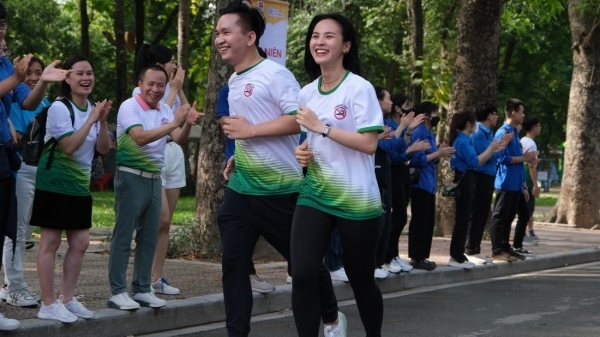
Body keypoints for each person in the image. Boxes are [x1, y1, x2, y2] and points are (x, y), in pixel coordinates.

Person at [215, 2, 341, 336]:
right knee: (233, 265)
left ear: (251, 36)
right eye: (217, 33)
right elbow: (249, 128)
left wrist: (250, 133)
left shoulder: (275, 74)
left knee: (306, 267)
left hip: (281, 192)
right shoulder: (234, 79)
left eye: (226, 32)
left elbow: (297, 120)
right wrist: (239, 153)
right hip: (242, 190)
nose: (220, 39)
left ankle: (332, 317)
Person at [292, 12, 384, 337]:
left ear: (345, 46)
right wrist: (301, 151)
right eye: (315, 35)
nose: (320, 41)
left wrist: (323, 127)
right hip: (315, 193)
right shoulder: (306, 92)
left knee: (360, 280)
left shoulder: (360, 88)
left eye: (329, 36)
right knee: (301, 274)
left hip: (357, 198)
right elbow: (308, 139)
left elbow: (370, 143)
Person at [107, 65, 200, 311]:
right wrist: (174, 124)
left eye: (161, 85)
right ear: (139, 83)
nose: (155, 89)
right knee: (124, 237)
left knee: (149, 237)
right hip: (130, 177)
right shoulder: (130, 106)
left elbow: (177, 138)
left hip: (154, 178)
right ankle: (117, 291)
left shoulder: (164, 109)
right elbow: (139, 137)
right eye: (151, 84)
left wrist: (187, 123)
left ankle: (142, 288)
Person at [0, 3, 68, 328]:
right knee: (13, 232)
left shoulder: (10, 72)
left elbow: (27, 102)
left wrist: (41, 82)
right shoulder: (9, 74)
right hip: (15, 163)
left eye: (2, 25)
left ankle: (6, 293)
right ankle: (14, 288)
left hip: (19, 165)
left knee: (15, 230)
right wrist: (15, 77)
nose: (2, 32)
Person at [31, 55, 110, 323]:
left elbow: (103, 149)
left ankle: (67, 298)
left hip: (79, 184)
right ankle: (48, 303)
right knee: (51, 241)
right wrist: (91, 119)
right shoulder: (59, 108)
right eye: (79, 73)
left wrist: (101, 122)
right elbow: (68, 147)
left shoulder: (94, 108)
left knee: (81, 242)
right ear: (68, 78)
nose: (86, 78)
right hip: (54, 182)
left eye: (89, 72)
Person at [132, 43, 187, 296]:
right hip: (153, 155)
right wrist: (172, 89)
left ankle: (156, 278)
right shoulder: (143, 92)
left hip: (173, 154)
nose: (175, 65)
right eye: (171, 61)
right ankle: (142, 277)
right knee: (159, 218)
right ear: (157, 65)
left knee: (166, 224)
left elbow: (179, 130)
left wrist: (179, 90)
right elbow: (158, 118)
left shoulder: (172, 89)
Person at [216, 83, 278, 293]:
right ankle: (248, 274)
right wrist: (245, 126)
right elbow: (223, 119)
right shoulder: (230, 89)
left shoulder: (272, 86)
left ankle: (305, 273)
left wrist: (257, 126)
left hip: (269, 168)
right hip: (239, 166)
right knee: (235, 219)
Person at [2, 56, 50, 307]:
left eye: (39, 72)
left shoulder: (46, 102)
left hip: (37, 171)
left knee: (24, 232)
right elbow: (19, 139)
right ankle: (15, 287)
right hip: (18, 170)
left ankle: (8, 285)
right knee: (16, 233)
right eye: (28, 72)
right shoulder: (12, 97)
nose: (33, 77)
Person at [373, 86, 427, 278]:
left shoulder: (385, 122)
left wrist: (408, 131)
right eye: (387, 98)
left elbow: (396, 146)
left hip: (390, 173)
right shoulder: (378, 121)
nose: (389, 102)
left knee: (390, 220)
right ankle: (380, 261)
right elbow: (390, 148)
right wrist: (405, 132)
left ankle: (388, 257)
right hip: (385, 172)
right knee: (384, 220)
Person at [447, 110, 507, 268]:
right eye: (473, 123)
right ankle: (456, 255)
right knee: (462, 218)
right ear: (468, 124)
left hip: (467, 179)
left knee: (465, 217)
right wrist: (491, 149)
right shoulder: (462, 141)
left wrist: (493, 149)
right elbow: (475, 161)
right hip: (464, 178)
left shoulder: (464, 140)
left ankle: (459, 254)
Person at [407, 102, 455, 271]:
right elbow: (417, 159)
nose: (436, 116)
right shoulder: (419, 132)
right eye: (434, 113)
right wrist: (438, 153)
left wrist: (439, 152)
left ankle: (423, 256)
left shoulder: (429, 132)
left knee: (428, 221)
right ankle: (416, 256)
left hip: (429, 182)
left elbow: (431, 159)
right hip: (420, 183)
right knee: (420, 221)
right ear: (426, 115)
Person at [489, 99, 537, 262]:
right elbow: (501, 158)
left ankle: (506, 247)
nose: (524, 115)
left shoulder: (515, 132)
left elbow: (519, 159)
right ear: (514, 113)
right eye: (522, 112)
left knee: (509, 217)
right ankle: (497, 250)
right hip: (505, 182)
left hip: (516, 183)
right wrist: (524, 158)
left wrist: (523, 183)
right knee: (500, 217)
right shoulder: (503, 132)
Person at [521, 117, 541, 245]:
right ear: (533, 127)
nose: (540, 129)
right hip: (527, 180)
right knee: (528, 209)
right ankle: (526, 234)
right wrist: (535, 185)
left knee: (524, 208)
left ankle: (529, 232)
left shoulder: (522, 140)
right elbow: (531, 165)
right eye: (539, 126)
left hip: (521, 178)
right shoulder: (531, 144)